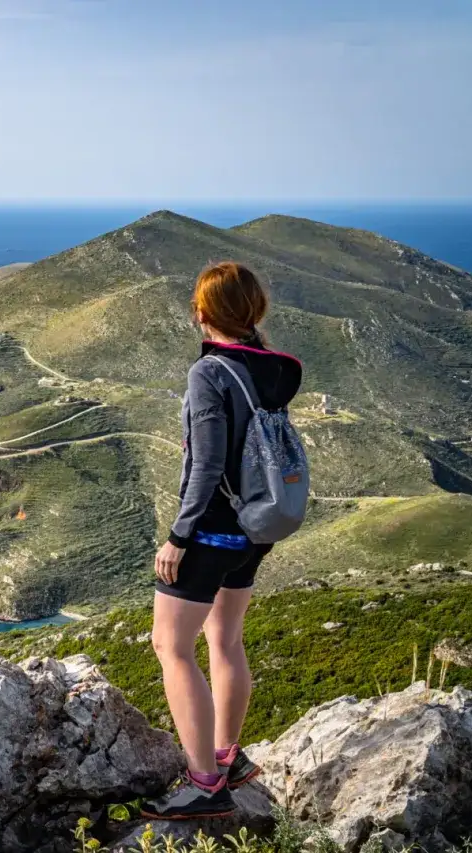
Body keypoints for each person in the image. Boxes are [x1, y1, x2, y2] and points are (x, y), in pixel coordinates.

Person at [142, 261, 302, 820]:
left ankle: (205, 783)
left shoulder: (209, 373)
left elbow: (206, 463)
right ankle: (228, 757)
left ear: (203, 312)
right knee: (225, 640)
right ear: (254, 310)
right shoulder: (275, 368)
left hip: (211, 527)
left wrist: (177, 536)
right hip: (258, 523)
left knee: (171, 647)